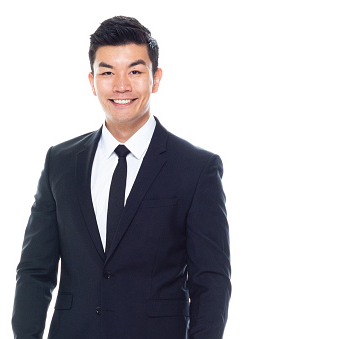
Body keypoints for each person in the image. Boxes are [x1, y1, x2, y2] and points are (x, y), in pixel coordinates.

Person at [12, 16, 231, 339]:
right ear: (92, 81)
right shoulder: (60, 162)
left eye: (135, 71)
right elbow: (35, 270)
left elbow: (211, 281)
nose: (121, 86)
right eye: (107, 72)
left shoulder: (196, 168)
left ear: (155, 79)